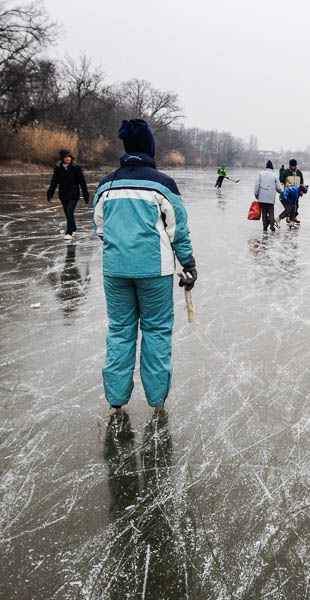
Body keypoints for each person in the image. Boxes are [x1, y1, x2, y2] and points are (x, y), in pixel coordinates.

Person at [92, 119, 196, 412]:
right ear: (150, 147)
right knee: (156, 331)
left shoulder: (107, 184)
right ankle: (157, 400)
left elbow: (99, 227)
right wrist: (188, 264)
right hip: (154, 271)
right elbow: (178, 230)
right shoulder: (162, 183)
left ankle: (116, 399)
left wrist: (121, 247)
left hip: (115, 271)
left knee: (120, 331)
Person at [47, 148, 89, 241]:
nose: (68, 158)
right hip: (63, 195)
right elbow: (54, 182)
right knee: (67, 214)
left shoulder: (76, 168)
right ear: (62, 158)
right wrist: (50, 193)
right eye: (66, 157)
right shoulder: (58, 168)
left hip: (74, 195)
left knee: (70, 212)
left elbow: (82, 182)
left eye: (69, 156)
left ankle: (69, 232)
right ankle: (73, 228)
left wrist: (86, 195)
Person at [254, 160, 283, 232]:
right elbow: (278, 188)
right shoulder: (275, 175)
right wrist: (282, 192)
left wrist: (256, 195)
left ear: (266, 167)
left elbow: (257, 185)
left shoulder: (261, 174)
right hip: (271, 197)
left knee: (264, 212)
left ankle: (265, 227)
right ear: (272, 167)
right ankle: (272, 225)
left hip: (262, 197)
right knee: (271, 211)